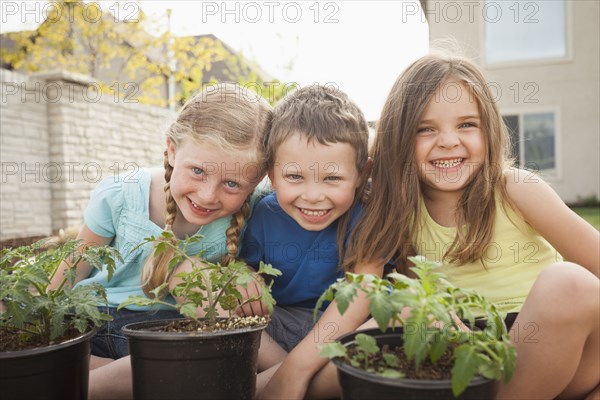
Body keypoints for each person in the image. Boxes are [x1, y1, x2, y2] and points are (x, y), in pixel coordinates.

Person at [305, 53, 600, 399]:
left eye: (466, 125)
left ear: (488, 129)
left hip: (556, 346)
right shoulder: (396, 210)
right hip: (462, 354)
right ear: (399, 138)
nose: (447, 141)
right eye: (425, 129)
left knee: (570, 283)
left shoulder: (515, 188)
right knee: (348, 355)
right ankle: (267, 382)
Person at [48, 82, 273, 399]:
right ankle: (84, 376)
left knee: (202, 354)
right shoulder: (122, 195)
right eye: (197, 171)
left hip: (174, 331)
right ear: (171, 149)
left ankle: (89, 378)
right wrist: (37, 326)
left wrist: (246, 273)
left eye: (232, 183)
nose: (208, 195)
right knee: (197, 366)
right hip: (96, 320)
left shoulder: (254, 209)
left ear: (258, 180)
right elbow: (72, 268)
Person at [240, 85, 373, 396]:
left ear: (361, 173)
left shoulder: (366, 214)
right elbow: (244, 267)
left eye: (333, 178)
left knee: (393, 328)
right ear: (271, 175)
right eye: (295, 177)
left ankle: (268, 384)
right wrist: (246, 278)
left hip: (344, 330)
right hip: (277, 329)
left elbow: (362, 295)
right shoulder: (264, 213)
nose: (313, 196)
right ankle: (285, 376)